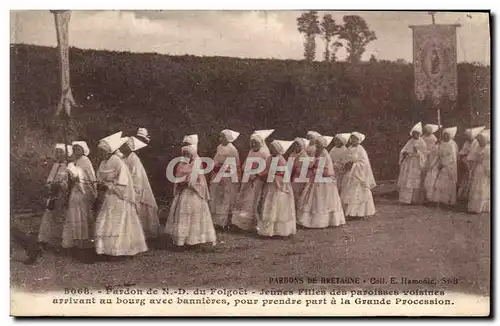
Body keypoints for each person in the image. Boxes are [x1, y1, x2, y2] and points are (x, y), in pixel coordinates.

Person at [94, 131, 148, 259]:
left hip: (119, 197)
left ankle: (121, 249)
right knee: (106, 221)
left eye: (102, 150)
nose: (100, 153)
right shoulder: (103, 163)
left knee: (119, 222)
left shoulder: (118, 162)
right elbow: (99, 178)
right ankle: (107, 249)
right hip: (109, 196)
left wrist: (108, 186)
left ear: (108, 151)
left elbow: (123, 183)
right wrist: (99, 185)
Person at [165, 143, 217, 247]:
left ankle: (194, 239)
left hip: (193, 192)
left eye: (188, 154)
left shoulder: (196, 164)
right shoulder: (181, 164)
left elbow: (199, 180)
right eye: (184, 154)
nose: (186, 156)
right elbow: (177, 177)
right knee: (183, 213)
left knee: (194, 216)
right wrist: (179, 182)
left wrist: (189, 182)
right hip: (183, 192)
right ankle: (181, 239)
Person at [298, 136, 346, 228]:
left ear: (323, 145)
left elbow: (327, 170)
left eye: (319, 143)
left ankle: (324, 221)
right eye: (316, 143)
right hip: (316, 178)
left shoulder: (325, 154)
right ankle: (309, 220)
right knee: (313, 198)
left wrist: (314, 169)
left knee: (322, 198)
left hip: (324, 180)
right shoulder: (317, 152)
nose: (317, 145)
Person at [232, 129, 274, 232]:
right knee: (244, 198)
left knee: (254, 199)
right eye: (252, 142)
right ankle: (241, 223)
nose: (254, 144)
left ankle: (253, 223)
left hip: (258, 180)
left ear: (261, 143)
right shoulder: (251, 152)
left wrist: (257, 174)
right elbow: (246, 164)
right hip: (248, 179)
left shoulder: (265, 153)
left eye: (256, 142)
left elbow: (267, 168)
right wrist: (246, 171)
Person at [120, 136, 160, 241]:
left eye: (124, 146)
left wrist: (131, 188)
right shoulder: (123, 158)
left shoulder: (134, 159)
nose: (122, 147)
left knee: (138, 210)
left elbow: (136, 176)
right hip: (125, 186)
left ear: (129, 147)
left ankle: (141, 234)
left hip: (135, 187)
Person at [62, 141, 97, 262]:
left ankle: (83, 244)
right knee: (74, 216)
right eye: (74, 149)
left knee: (81, 216)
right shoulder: (76, 162)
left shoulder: (85, 161)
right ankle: (75, 243)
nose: (76, 151)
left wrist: (73, 171)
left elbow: (86, 177)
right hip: (75, 192)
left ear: (83, 150)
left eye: (78, 149)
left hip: (83, 192)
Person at [256, 140, 297, 237]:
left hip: (278, 186)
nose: (271, 150)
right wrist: (261, 174)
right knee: (269, 204)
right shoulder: (269, 158)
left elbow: (283, 173)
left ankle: (280, 231)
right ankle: (268, 230)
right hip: (270, 185)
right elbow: (266, 168)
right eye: (270, 148)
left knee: (278, 206)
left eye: (273, 148)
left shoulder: (281, 159)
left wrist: (273, 176)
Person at [38, 143, 72, 249]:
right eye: (56, 152)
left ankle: (61, 242)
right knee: (49, 215)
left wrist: (61, 185)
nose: (58, 154)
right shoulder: (56, 165)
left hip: (63, 194)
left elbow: (69, 182)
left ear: (66, 154)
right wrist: (51, 185)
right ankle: (44, 240)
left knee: (62, 217)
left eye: (60, 152)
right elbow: (49, 180)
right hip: (53, 193)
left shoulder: (69, 166)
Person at [209, 129, 241, 229]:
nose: (220, 139)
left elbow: (235, 164)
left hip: (227, 176)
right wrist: (215, 167)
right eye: (220, 136)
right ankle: (216, 221)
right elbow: (215, 160)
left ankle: (224, 221)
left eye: (223, 137)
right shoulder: (219, 147)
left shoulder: (232, 149)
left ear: (228, 138)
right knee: (217, 196)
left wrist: (224, 167)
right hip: (217, 174)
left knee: (226, 197)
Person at [341, 132, 376, 218]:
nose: (353, 140)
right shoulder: (348, 148)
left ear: (359, 140)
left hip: (357, 174)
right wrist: (346, 164)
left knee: (358, 191)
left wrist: (353, 164)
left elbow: (364, 163)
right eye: (352, 138)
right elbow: (344, 159)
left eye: (355, 139)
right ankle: (349, 212)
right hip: (349, 173)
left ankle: (358, 213)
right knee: (347, 189)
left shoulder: (361, 149)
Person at [424, 127, 459, 206]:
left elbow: (452, 158)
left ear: (450, 136)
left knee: (448, 183)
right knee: (440, 182)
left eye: (447, 135)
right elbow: (438, 155)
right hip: (442, 164)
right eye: (444, 135)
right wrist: (435, 163)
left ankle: (448, 200)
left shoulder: (452, 145)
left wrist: (444, 164)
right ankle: (440, 200)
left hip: (449, 166)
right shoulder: (442, 144)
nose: (445, 137)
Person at [397, 122, 427, 204]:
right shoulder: (410, 141)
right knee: (406, 180)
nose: (415, 135)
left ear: (419, 134)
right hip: (409, 163)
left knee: (415, 181)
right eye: (414, 133)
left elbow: (424, 154)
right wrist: (404, 153)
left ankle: (414, 200)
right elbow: (403, 150)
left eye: (417, 133)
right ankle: (405, 200)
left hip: (416, 163)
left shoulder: (422, 142)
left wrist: (417, 152)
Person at [458, 126, 485, 202]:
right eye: (466, 136)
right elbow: (463, 151)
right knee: (465, 179)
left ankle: (468, 197)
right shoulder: (466, 143)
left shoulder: (475, 142)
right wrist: (463, 157)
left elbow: (474, 154)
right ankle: (462, 197)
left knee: (471, 178)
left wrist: (469, 160)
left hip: (472, 162)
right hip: (465, 161)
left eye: (468, 136)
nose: (466, 137)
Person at [468, 129, 490, 214]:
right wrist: (472, 167)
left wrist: (488, 170)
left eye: (480, 140)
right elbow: (473, 157)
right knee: (476, 185)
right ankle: (475, 206)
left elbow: (488, 161)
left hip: (485, 169)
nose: (479, 141)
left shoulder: (488, 149)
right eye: (478, 140)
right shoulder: (478, 148)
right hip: (478, 168)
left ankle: (482, 207)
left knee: (483, 186)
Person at [289, 137, 310, 207]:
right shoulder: (292, 154)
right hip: (292, 177)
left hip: (300, 178)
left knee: (298, 196)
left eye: (298, 145)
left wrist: (296, 169)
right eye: (295, 145)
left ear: (302, 146)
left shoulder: (305, 156)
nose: (296, 147)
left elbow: (305, 170)